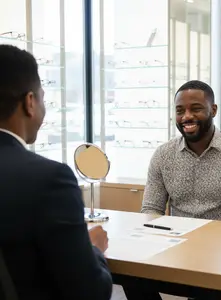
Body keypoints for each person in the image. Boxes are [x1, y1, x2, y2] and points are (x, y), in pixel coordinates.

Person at [0, 44, 112, 299]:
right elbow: (91, 291)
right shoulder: (48, 180)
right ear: (30, 102)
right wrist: (93, 248)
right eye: (43, 97)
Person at [141, 80, 221, 225]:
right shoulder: (163, 155)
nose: (186, 116)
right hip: (177, 241)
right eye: (180, 111)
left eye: (196, 109)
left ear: (213, 110)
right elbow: (151, 209)